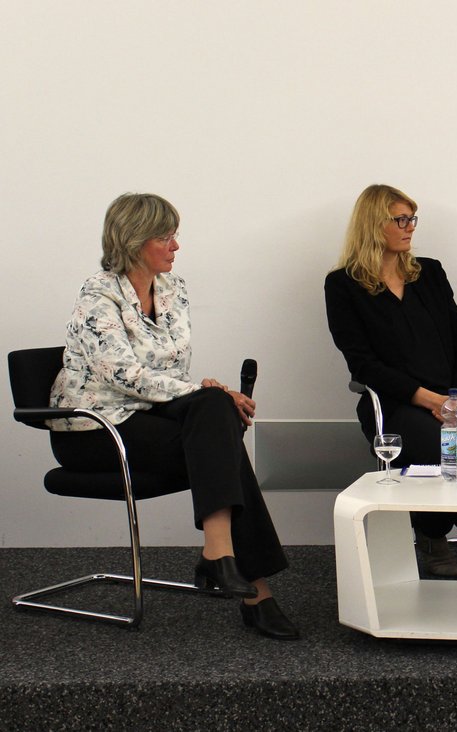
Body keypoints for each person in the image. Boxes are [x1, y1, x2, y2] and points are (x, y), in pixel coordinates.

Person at [48, 193, 299, 640]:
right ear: (133, 240)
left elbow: (170, 372)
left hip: (148, 415)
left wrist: (209, 394)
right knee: (218, 425)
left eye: (174, 235)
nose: (175, 246)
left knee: (214, 411)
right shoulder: (98, 294)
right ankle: (252, 589)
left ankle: (221, 555)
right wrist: (209, 392)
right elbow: (123, 373)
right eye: (165, 237)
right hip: (94, 427)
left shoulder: (173, 288)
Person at [325, 184, 457, 577]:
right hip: (396, 405)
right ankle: (433, 538)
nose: (410, 227)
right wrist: (430, 401)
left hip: (455, 400)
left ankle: (435, 526)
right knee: (444, 452)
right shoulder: (343, 285)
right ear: (372, 224)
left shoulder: (429, 272)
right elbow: (362, 364)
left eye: (412, 218)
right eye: (400, 219)